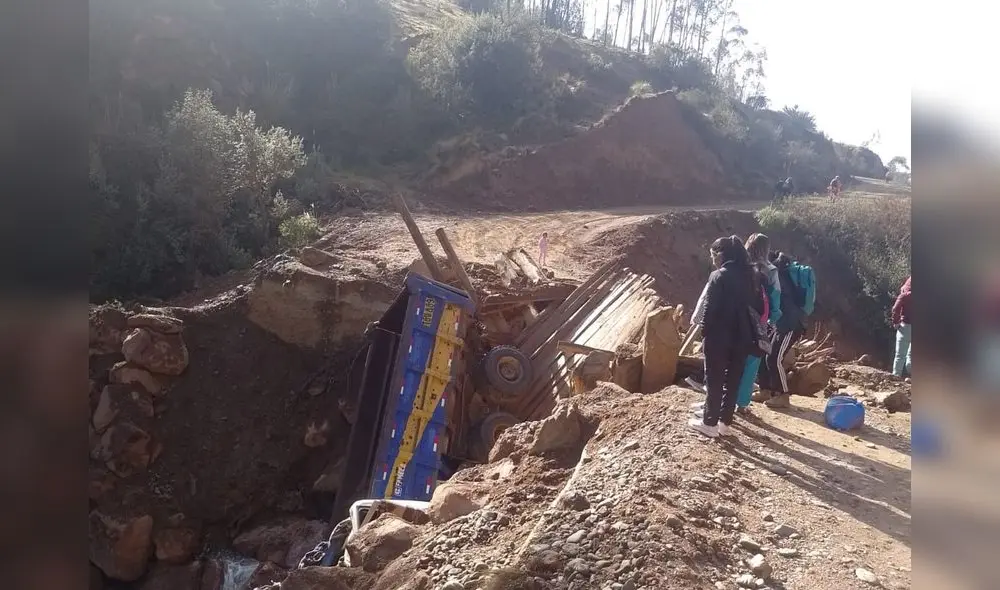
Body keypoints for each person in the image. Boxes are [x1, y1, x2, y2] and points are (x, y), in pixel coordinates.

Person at [688, 236, 755, 438]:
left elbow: (710, 308)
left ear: (720, 254)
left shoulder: (718, 276)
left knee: (715, 379)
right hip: (743, 335)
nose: (712, 259)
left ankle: (709, 423)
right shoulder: (751, 275)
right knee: (733, 380)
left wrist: (705, 332)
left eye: (713, 255)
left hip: (719, 335)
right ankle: (725, 422)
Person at [734, 234, 782, 414]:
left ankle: (725, 398)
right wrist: (773, 319)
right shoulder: (770, 270)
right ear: (766, 249)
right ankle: (742, 403)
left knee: (733, 359)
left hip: (736, 318)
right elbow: (775, 297)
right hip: (758, 322)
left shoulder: (738, 265)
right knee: (752, 361)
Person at [754, 251, 808, 408]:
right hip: (780, 323)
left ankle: (783, 395)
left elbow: (772, 301)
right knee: (764, 353)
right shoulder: (778, 276)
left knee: (775, 358)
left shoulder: (777, 278)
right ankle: (765, 390)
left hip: (790, 324)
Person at [891, 275, 911, 378]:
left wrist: (896, 322)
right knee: (911, 356)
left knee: (900, 356)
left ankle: (895, 378)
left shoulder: (904, 296)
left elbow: (895, 309)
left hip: (905, 327)